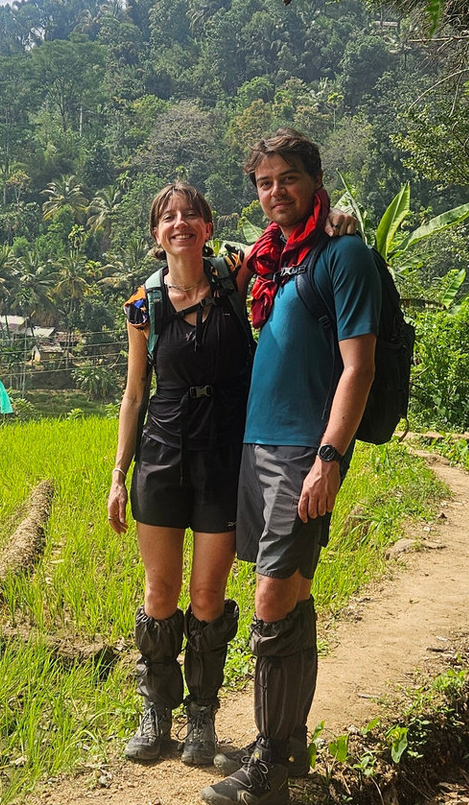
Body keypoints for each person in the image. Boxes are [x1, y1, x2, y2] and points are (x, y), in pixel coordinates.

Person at [108, 181, 357, 768]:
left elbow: (290, 242)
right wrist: (119, 474)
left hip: (222, 457)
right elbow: (134, 393)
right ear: (156, 234)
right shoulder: (143, 304)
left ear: (208, 226)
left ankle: (202, 715)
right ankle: (156, 711)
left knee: (207, 595)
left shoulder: (232, 275)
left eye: (190, 214)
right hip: (161, 458)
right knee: (160, 592)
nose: (180, 223)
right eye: (168, 217)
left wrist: (335, 222)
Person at [201, 129, 381, 805]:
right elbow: (204, 278)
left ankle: (268, 764)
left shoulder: (344, 256)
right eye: (264, 183)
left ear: (314, 181)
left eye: (288, 179)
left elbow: (358, 368)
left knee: (272, 597)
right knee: (292, 593)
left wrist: (329, 457)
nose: (276, 192)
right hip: (257, 445)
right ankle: (291, 745)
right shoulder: (271, 260)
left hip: (305, 449)